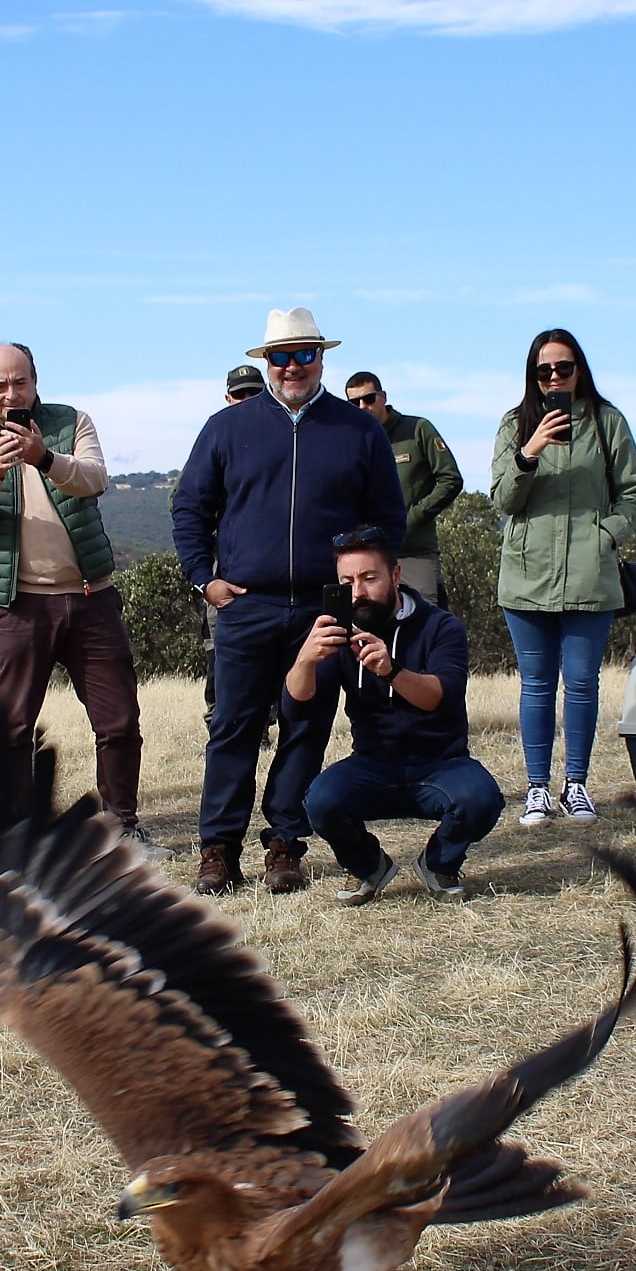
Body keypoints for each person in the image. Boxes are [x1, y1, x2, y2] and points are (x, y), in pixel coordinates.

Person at [172, 307, 407, 897]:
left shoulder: (359, 431)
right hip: (246, 605)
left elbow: (388, 519)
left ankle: (284, 844)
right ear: (266, 362)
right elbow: (189, 508)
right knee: (233, 727)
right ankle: (219, 849)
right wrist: (205, 579)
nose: (293, 366)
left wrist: (361, 589)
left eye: (305, 354)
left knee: (307, 726)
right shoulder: (226, 428)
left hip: (325, 609)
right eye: (282, 356)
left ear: (322, 358)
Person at [0, 342, 163, 856]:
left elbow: (94, 480)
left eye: (19, 382)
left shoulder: (71, 422)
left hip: (91, 596)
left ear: (36, 382)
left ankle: (121, 826)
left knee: (118, 720)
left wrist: (44, 455)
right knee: (15, 727)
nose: (10, 394)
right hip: (16, 605)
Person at [291, 526, 504, 903]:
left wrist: (392, 670)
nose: (358, 592)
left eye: (369, 578)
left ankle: (439, 863)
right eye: (347, 581)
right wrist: (305, 659)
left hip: (441, 762)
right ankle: (369, 866)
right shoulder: (339, 633)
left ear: (396, 575)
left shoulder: (441, 626)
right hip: (373, 762)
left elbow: (441, 697)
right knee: (319, 800)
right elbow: (300, 699)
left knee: (481, 798)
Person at [491, 328, 636, 829]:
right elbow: (502, 499)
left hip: (589, 574)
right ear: (532, 376)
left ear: (580, 368)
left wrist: (607, 533)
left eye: (564, 367)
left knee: (581, 684)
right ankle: (537, 789)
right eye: (544, 371)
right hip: (527, 575)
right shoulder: (516, 423)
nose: (555, 377)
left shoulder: (608, 422)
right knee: (536, 685)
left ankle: (576, 785)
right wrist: (529, 451)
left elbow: (634, 492)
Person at [343, 372, 464, 604]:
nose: (362, 406)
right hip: (368, 558)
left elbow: (451, 479)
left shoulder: (418, 429)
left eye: (369, 398)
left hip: (414, 552)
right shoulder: (350, 441)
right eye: (354, 402)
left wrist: (412, 518)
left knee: (423, 626)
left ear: (383, 397)